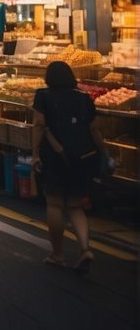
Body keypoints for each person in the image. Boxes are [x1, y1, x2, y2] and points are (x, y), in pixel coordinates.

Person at [32, 60, 106, 272]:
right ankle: (85, 249)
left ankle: (57, 254)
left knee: (55, 204)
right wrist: (105, 152)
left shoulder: (43, 96)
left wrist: (35, 153)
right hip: (82, 157)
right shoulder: (84, 98)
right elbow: (94, 129)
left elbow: (39, 125)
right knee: (75, 205)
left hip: (55, 156)